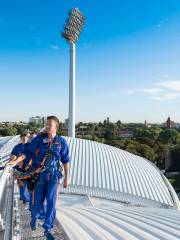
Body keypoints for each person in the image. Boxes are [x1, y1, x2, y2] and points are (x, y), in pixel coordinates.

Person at [10, 116, 70, 240]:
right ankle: (34, 217)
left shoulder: (61, 142)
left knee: (51, 202)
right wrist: (16, 162)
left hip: (53, 177)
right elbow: (27, 153)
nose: (47, 126)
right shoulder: (38, 140)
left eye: (50, 125)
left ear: (56, 127)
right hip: (40, 177)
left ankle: (47, 229)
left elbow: (66, 160)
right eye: (47, 124)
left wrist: (67, 177)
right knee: (37, 202)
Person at [9, 132, 31, 203]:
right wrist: (13, 160)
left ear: (28, 138)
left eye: (25, 138)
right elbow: (13, 155)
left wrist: (29, 164)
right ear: (21, 138)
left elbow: (33, 157)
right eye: (23, 138)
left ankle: (26, 199)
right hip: (19, 169)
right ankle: (24, 199)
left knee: (27, 186)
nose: (24, 139)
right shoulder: (17, 147)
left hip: (28, 169)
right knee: (21, 186)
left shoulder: (31, 146)